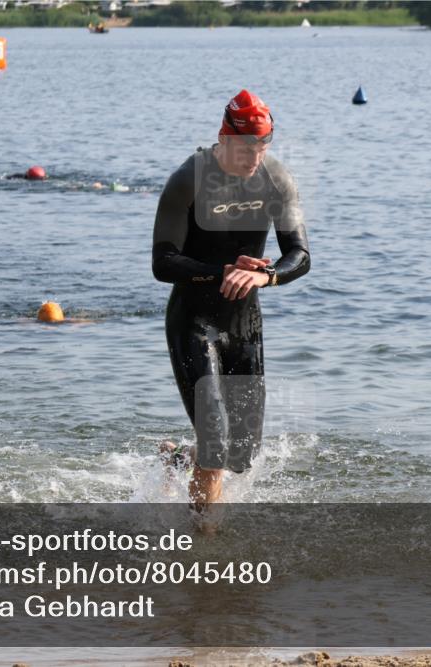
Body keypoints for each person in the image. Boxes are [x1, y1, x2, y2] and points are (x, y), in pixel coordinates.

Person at [152, 90, 310, 515]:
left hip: (244, 325)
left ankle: (179, 458)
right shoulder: (189, 179)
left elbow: (300, 255)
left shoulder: (276, 179)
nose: (254, 157)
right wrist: (223, 270)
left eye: (263, 146)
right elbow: (163, 263)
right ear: (224, 138)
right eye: (245, 148)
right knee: (216, 441)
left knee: (240, 455)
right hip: (194, 320)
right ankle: (206, 549)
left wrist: (267, 274)